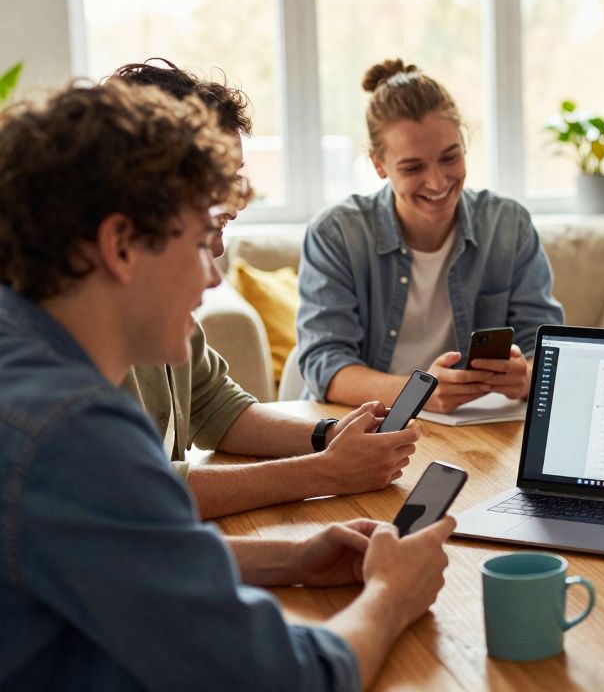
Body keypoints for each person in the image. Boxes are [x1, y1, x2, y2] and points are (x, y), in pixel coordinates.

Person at [0, 80, 455, 689]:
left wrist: (293, 557)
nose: (212, 276)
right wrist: (393, 594)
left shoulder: (22, 357)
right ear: (120, 245)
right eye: (199, 240)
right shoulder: (75, 432)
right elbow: (285, 679)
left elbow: (124, 554)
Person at [112, 58, 414, 520]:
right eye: (223, 176)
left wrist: (327, 437)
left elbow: (213, 405)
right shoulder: (83, 325)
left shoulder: (160, 295)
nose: (238, 197)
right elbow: (131, 493)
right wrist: (325, 472)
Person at [297, 59, 564, 413]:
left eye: (450, 158)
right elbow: (325, 364)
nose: (437, 183)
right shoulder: (336, 235)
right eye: (413, 167)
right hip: (368, 422)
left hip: (476, 425)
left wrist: (526, 377)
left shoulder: (508, 225)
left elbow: (546, 351)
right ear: (379, 164)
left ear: (464, 144)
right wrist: (418, 394)